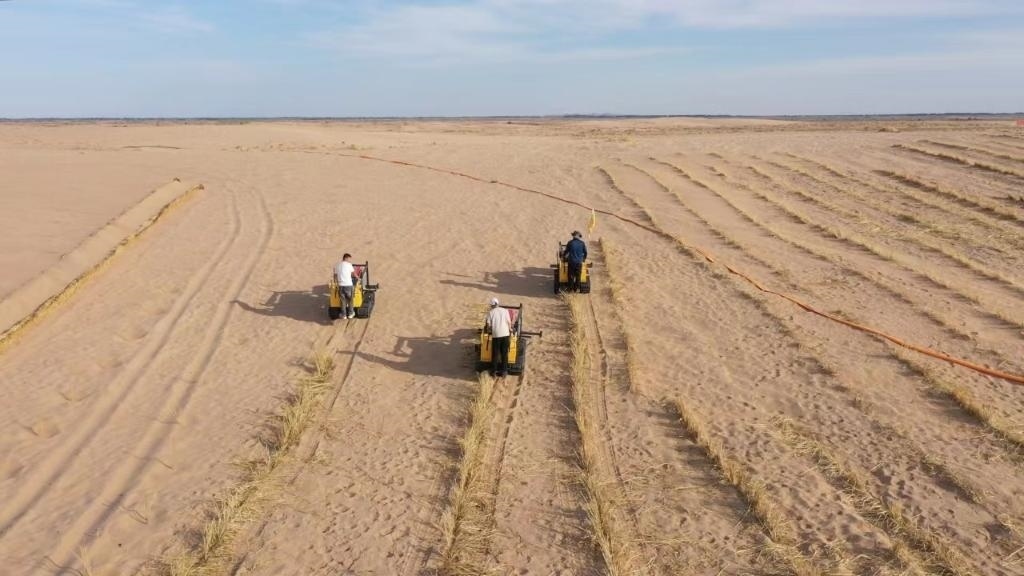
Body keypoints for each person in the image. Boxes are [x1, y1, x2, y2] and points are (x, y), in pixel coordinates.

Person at [484, 297, 513, 377]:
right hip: (505, 334)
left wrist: (489, 330)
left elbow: (488, 325)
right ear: (498, 303)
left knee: (495, 354)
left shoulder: (490, 313)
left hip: (496, 335)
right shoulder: (505, 311)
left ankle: (493, 372)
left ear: (492, 305)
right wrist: (510, 329)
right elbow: (509, 322)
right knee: (504, 354)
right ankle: (504, 371)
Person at [334, 253, 356, 319]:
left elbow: (335, 276)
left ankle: (343, 315)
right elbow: (353, 274)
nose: (349, 260)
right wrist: (358, 278)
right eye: (349, 259)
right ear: (346, 258)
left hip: (340, 286)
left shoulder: (337, 265)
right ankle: (351, 313)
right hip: (348, 285)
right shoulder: (349, 265)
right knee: (350, 300)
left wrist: (336, 283)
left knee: (342, 301)